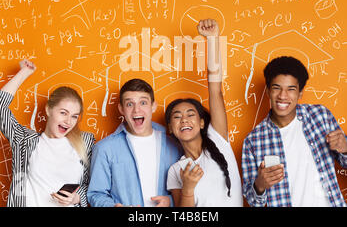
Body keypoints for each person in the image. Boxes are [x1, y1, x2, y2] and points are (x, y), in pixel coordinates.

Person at [242, 56, 347, 207]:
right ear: (267, 91)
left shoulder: (321, 116)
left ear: (300, 93)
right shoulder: (253, 141)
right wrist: (260, 185)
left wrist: (345, 149)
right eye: (276, 88)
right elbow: (254, 202)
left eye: (291, 89)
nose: (282, 96)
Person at [165, 19, 243, 207]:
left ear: (201, 123)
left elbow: (215, 88)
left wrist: (213, 40)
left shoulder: (218, 139)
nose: (184, 119)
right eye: (176, 116)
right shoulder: (175, 171)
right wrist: (188, 189)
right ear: (170, 128)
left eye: (190, 114)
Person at [0, 59, 95, 207]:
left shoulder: (85, 142)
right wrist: (25, 72)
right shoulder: (24, 140)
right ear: (48, 110)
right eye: (63, 113)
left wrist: (76, 198)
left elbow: (94, 186)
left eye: (74, 116)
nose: (68, 121)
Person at [87, 78, 182, 207]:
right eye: (130, 104)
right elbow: (95, 194)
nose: (137, 110)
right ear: (121, 109)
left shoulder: (175, 145)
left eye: (143, 102)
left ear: (153, 106)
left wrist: (171, 201)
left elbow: (187, 188)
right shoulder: (104, 148)